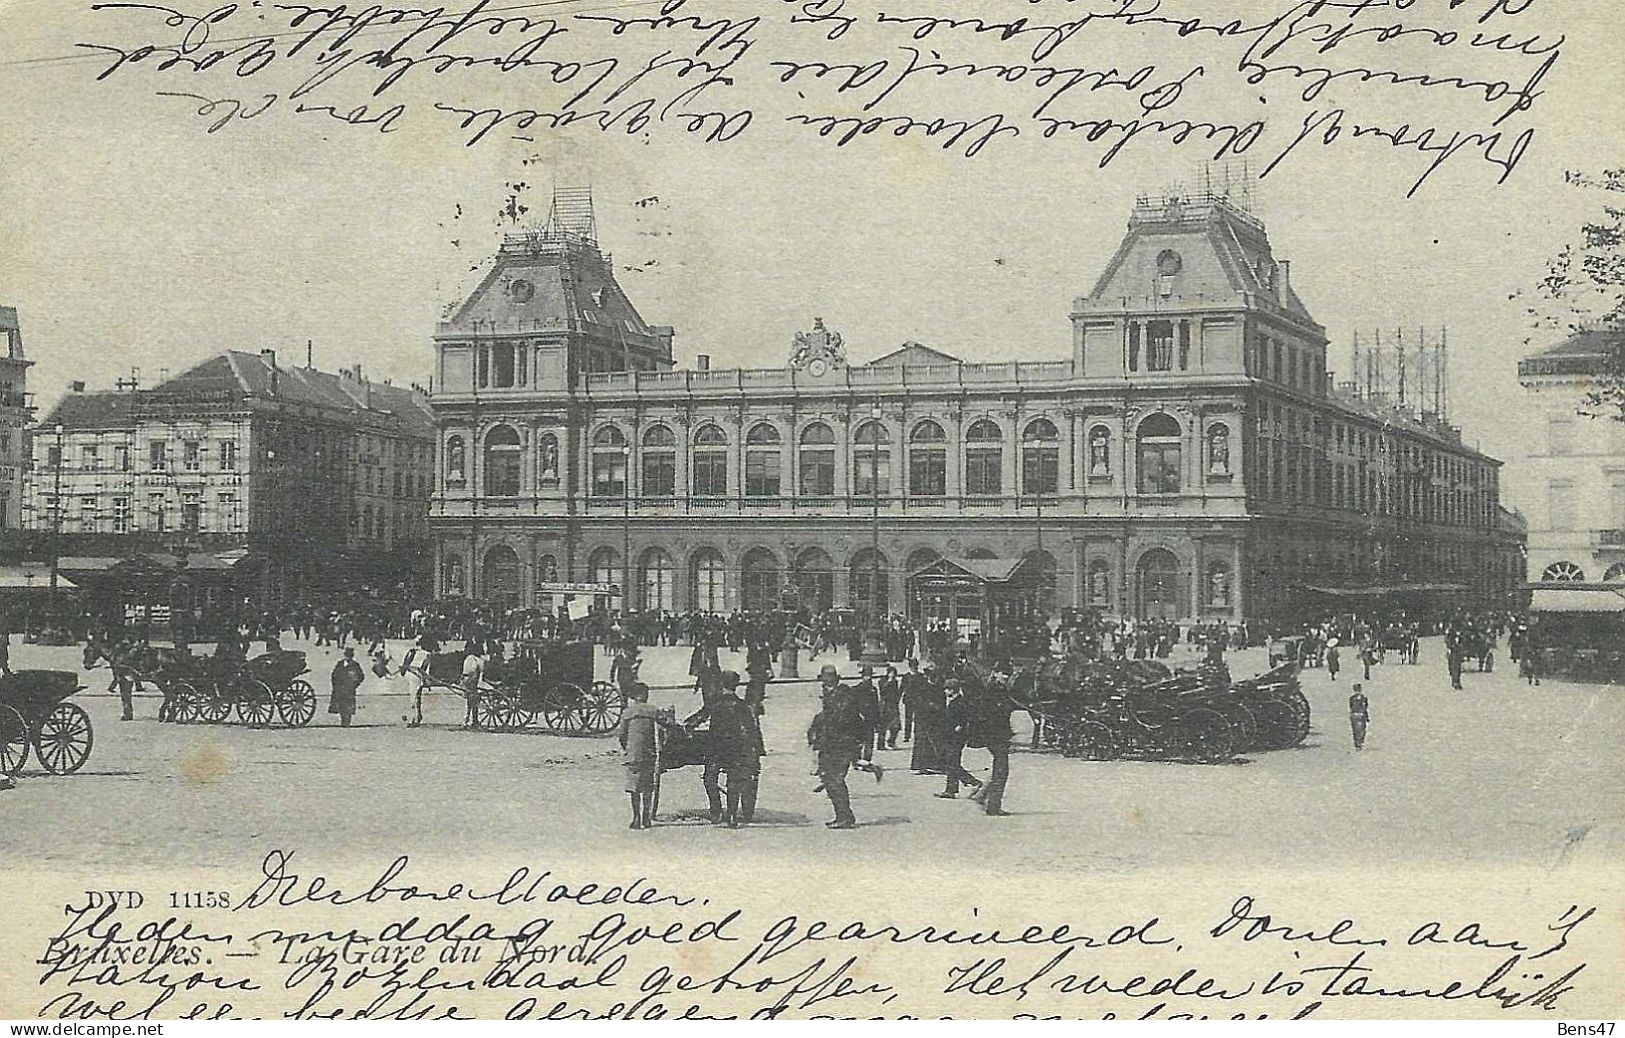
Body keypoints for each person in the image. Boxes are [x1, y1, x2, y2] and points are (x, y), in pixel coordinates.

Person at [806, 663, 862, 828]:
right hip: (830, 745)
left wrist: (823, 723)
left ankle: (845, 817)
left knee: (835, 780)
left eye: (827, 679)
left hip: (841, 745)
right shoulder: (830, 695)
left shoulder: (843, 696)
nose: (824, 683)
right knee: (829, 779)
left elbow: (842, 720)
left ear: (834, 679)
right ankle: (842, 815)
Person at [709, 672, 766, 827]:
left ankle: (716, 808)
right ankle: (732, 815)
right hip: (736, 749)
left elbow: (700, 716)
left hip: (717, 749)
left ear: (721, 684)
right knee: (733, 781)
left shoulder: (715, 703)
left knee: (709, 777)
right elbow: (751, 729)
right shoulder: (742, 706)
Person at [617, 682, 661, 829]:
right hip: (648, 753)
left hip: (633, 754)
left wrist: (627, 748)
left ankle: (636, 817)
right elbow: (663, 727)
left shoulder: (628, 712)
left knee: (634, 787)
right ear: (644, 695)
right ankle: (646, 817)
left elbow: (622, 735)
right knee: (648, 786)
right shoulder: (653, 710)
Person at [935, 677, 985, 800]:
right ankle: (966, 784)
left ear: (953, 690)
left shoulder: (960, 702)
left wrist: (960, 726)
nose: (945, 691)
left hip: (957, 737)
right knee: (950, 762)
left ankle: (956, 788)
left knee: (952, 762)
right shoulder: (951, 700)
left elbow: (968, 716)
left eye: (947, 689)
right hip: (949, 735)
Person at [329, 647, 363, 727]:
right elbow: (334, 675)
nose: (348, 657)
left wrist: (355, 685)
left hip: (349, 689)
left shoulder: (355, 665)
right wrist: (335, 685)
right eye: (347, 656)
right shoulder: (340, 664)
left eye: (350, 656)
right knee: (341, 705)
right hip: (340, 688)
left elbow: (361, 676)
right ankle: (343, 720)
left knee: (348, 706)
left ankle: (346, 722)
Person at [461, 642, 486, 729]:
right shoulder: (479, 661)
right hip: (473, 681)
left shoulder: (468, 658)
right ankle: (473, 720)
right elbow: (481, 673)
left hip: (468, 681)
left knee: (469, 703)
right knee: (473, 702)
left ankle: (467, 720)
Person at [878, 665, 902, 750]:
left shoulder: (895, 682)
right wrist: (889, 681)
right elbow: (882, 691)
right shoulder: (882, 681)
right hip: (885, 706)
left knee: (896, 726)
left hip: (893, 705)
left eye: (894, 673)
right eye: (891, 673)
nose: (892, 675)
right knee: (883, 726)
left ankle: (891, 741)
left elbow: (896, 693)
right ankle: (880, 744)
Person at [1349, 683, 1369, 750]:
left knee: (1355, 730)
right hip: (1361, 714)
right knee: (1362, 730)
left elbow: (1351, 707)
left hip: (1354, 715)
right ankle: (1360, 742)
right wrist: (1367, 716)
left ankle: (1357, 744)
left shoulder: (1351, 698)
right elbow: (1365, 708)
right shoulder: (1364, 698)